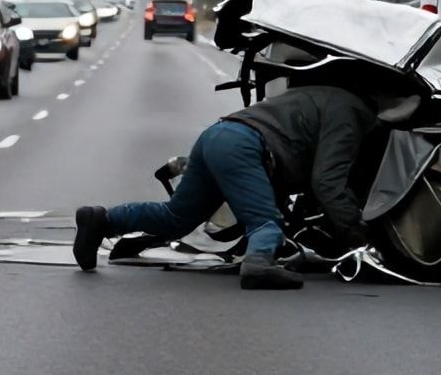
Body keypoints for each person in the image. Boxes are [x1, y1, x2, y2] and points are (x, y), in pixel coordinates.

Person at [72, 83, 413, 290]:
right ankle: (258, 267)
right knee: (265, 223)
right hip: (246, 146)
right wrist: (360, 243)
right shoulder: (353, 114)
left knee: (175, 218)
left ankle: (102, 220)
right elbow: (327, 182)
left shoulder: (322, 94)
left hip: (217, 135)